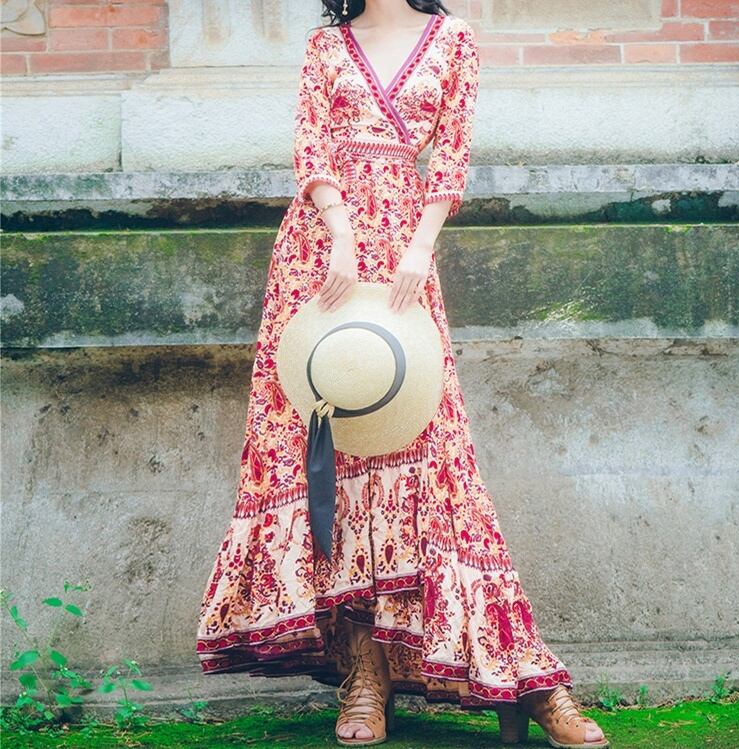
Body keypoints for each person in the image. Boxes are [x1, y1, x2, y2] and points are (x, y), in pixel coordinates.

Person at [195, 1, 610, 747]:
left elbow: (451, 152)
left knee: (434, 458)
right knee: (333, 450)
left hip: (404, 256)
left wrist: (420, 247)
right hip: (319, 257)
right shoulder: (326, 45)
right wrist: (340, 235)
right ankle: (365, 677)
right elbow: (311, 146)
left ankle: (527, 677)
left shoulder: (453, 39)